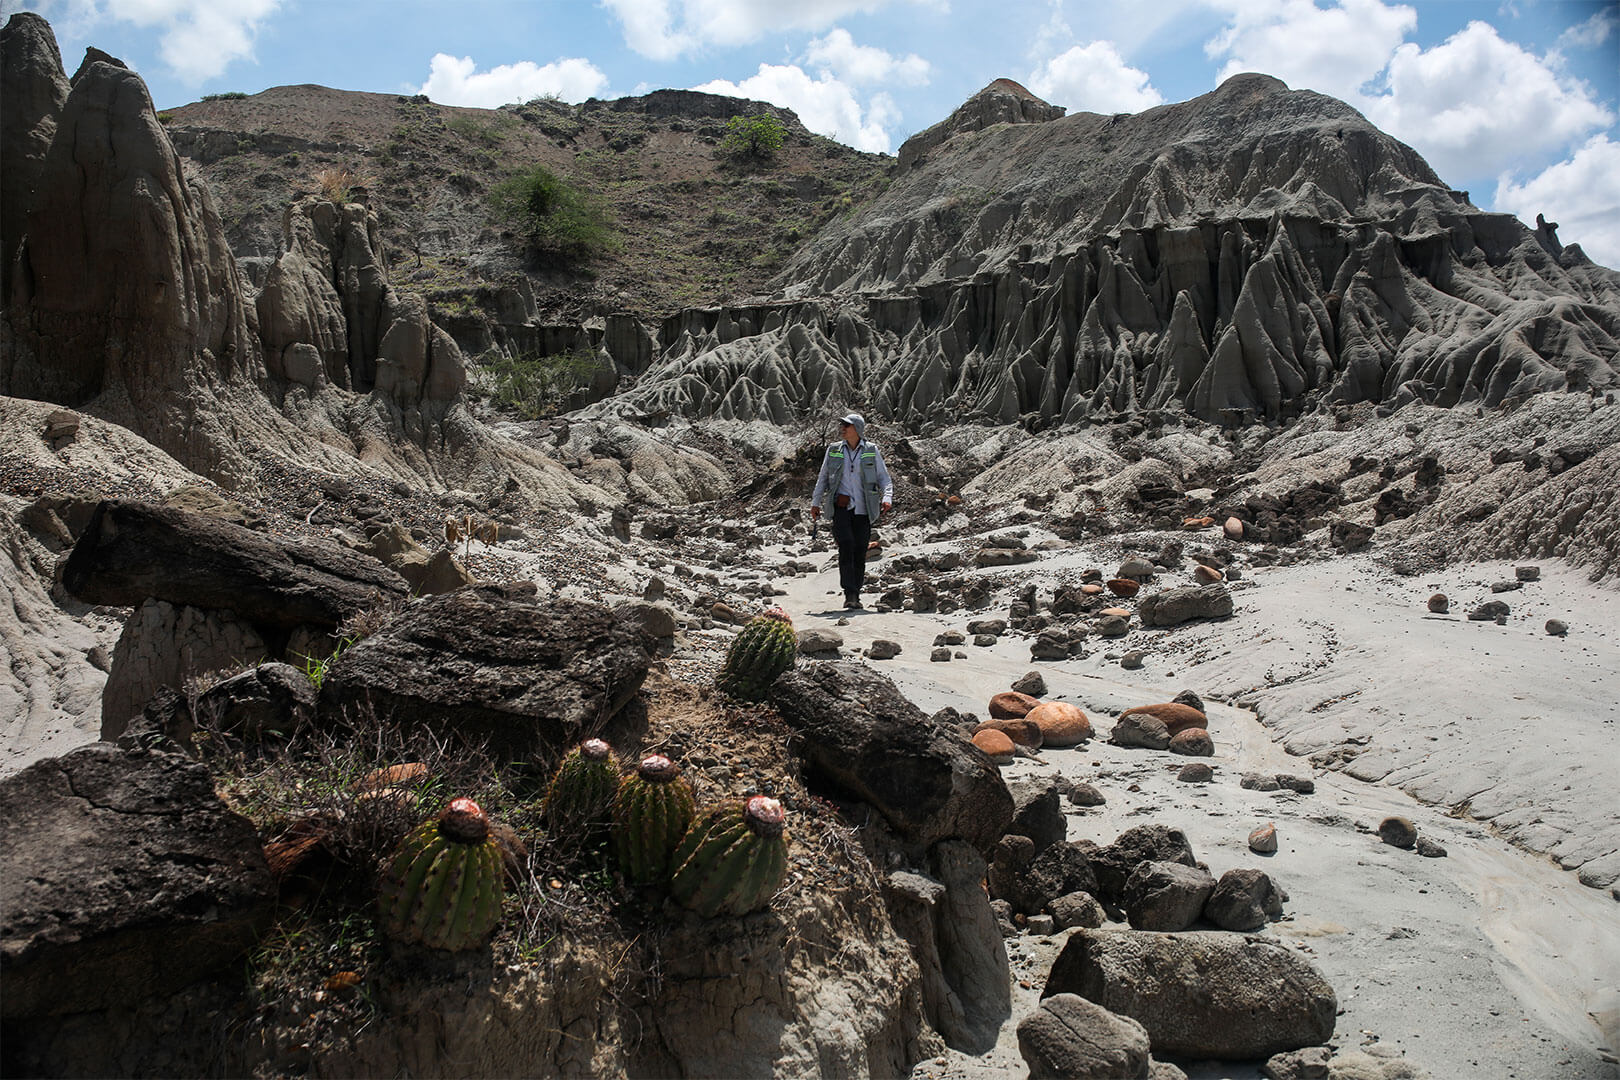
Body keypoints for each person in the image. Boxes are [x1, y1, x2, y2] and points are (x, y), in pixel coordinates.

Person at [809, 412, 893, 609]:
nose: (843, 428)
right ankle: (850, 593)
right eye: (842, 425)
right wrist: (815, 503)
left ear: (858, 429)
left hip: (864, 509)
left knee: (859, 550)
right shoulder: (834, 450)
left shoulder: (871, 450)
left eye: (847, 425)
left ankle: (856, 592)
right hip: (841, 508)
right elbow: (822, 479)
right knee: (846, 545)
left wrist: (887, 498)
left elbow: (884, 479)